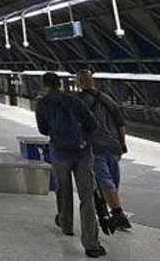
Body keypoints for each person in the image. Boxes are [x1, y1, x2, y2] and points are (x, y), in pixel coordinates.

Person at [36, 72, 104, 258]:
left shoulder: (42, 104)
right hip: (82, 154)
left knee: (63, 190)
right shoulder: (74, 100)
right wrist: (83, 141)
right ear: (60, 84)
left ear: (45, 85)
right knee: (87, 198)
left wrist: (57, 134)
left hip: (59, 153)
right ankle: (91, 244)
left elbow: (43, 129)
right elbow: (93, 124)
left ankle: (66, 225)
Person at [77, 70, 131, 231]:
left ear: (79, 83)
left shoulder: (78, 101)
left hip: (95, 146)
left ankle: (117, 213)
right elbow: (120, 123)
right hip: (114, 146)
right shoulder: (107, 99)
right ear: (92, 82)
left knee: (104, 179)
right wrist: (122, 143)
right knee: (113, 179)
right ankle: (111, 206)